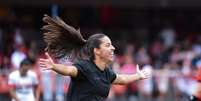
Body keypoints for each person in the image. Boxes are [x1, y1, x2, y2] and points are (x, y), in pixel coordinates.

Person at [39, 14, 152, 101]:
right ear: (96, 51)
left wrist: (138, 76)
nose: (113, 48)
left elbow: (122, 79)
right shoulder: (85, 67)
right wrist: (54, 66)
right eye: (108, 45)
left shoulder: (106, 72)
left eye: (112, 45)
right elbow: (69, 70)